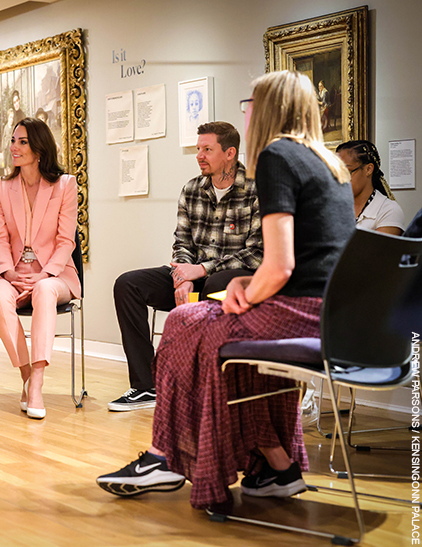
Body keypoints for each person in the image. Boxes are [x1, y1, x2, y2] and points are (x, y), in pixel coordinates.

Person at [97, 70, 356, 509]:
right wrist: (240, 283)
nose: (246, 111)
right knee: (228, 351)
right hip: (329, 312)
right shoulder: (329, 163)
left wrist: (247, 294)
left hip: (296, 310)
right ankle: (279, 465)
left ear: (269, 109)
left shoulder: (276, 158)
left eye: (251, 103)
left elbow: (278, 264)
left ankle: (164, 458)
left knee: (184, 323)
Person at [110, 121, 262, 411]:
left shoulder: (255, 189)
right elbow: (182, 243)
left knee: (217, 284)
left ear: (230, 153)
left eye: (207, 149)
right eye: (198, 149)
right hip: (194, 276)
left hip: (236, 281)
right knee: (127, 284)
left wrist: (202, 270)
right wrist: (182, 276)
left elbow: (257, 253)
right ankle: (146, 386)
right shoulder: (192, 189)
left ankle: (203, 385)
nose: (199, 155)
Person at [0, 117, 79, 419]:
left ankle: (37, 382)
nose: (14, 147)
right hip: (12, 272)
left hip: (55, 275)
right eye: (13, 140)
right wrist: (7, 271)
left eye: (22, 141)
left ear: (39, 149)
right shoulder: (1, 187)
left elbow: (67, 241)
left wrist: (47, 273)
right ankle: (25, 374)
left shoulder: (64, 185)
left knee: (43, 290)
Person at [336, 140, 404, 235]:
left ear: (368, 169)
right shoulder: (334, 206)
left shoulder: (388, 210)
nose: (340, 179)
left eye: (347, 172)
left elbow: (379, 249)